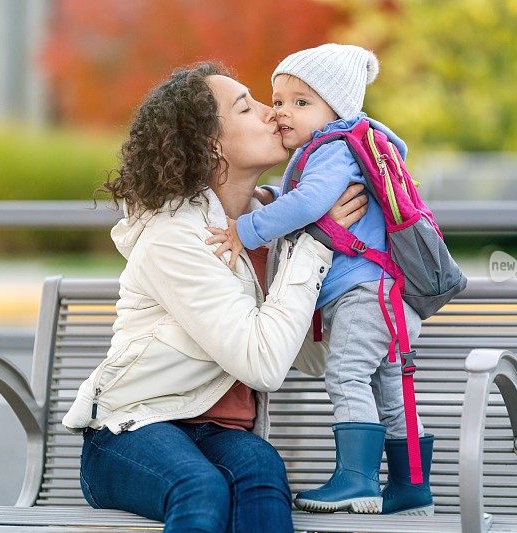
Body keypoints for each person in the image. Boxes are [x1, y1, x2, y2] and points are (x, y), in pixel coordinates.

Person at [61, 61, 368, 533]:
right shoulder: (175, 237)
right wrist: (318, 246)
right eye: (248, 106)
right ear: (210, 145)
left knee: (262, 473)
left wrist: (359, 281)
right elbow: (263, 363)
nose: (273, 113)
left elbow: (308, 357)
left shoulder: (279, 224)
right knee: (200, 487)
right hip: (131, 432)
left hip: (221, 435)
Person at [209, 44, 435, 516]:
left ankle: (356, 480)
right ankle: (411, 487)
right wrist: (274, 195)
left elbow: (311, 204)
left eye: (301, 101)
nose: (282, 112)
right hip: (388, 296)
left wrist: (243, 229)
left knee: (348, 375)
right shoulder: (347, 146)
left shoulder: (333, 147)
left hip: (363, 296)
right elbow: (303, 196)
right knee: (389, 389)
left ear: (338, 108)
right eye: (279, 99)